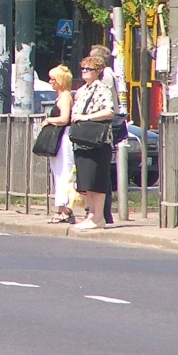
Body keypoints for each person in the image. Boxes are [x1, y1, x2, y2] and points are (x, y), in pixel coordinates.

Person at [70, 55, 116, 230]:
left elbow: (109, 112)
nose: (84, 72)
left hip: (97, 141)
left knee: (97, 180)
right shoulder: (84, 89)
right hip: (82, 141)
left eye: (88, 69)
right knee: (86, 181)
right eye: (83, 69)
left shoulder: (102, 89)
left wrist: (86, 117)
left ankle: (98, 217)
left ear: (98, 71)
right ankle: (91, 215)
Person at [40, 64, 76, 224]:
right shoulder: (60, 97)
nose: (50, 82)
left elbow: (64, 118)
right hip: (58, 139)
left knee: (64, 172)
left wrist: (49, 120)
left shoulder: (66, 96)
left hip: (64, 139)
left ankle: (66, 210)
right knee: (58, 173)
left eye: (53, 79)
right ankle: (61, 208)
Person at [90, 44, 118, 225]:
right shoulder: (108, 74)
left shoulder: (105, 76)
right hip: (100, 125)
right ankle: (99, 211)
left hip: (103, 126)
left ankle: (103, 213)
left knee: (100, 170)